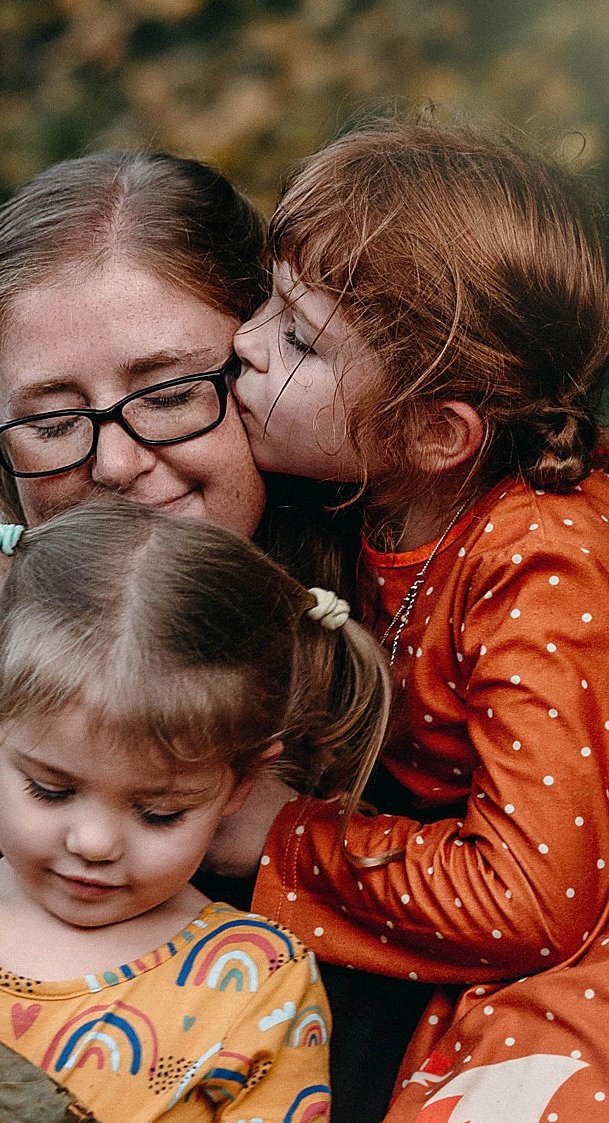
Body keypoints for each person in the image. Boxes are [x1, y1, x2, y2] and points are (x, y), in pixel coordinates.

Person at [0, 150, 427, 1123]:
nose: (118, 462)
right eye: (51, 417)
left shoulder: (400, 689)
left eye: (170, 394)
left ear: (274, 373)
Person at [216, 117, 609, 1121]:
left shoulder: (536, 555)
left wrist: (285, 839)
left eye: (298, 338)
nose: (241, 343)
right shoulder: (363, 501)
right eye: (267, 301)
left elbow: (533, 895)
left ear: (438, 430)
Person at [0, 496, 393, 1120]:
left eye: (159, 813)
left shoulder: (254, 983)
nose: (94, 842)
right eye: (51, 790)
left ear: (243, 781)